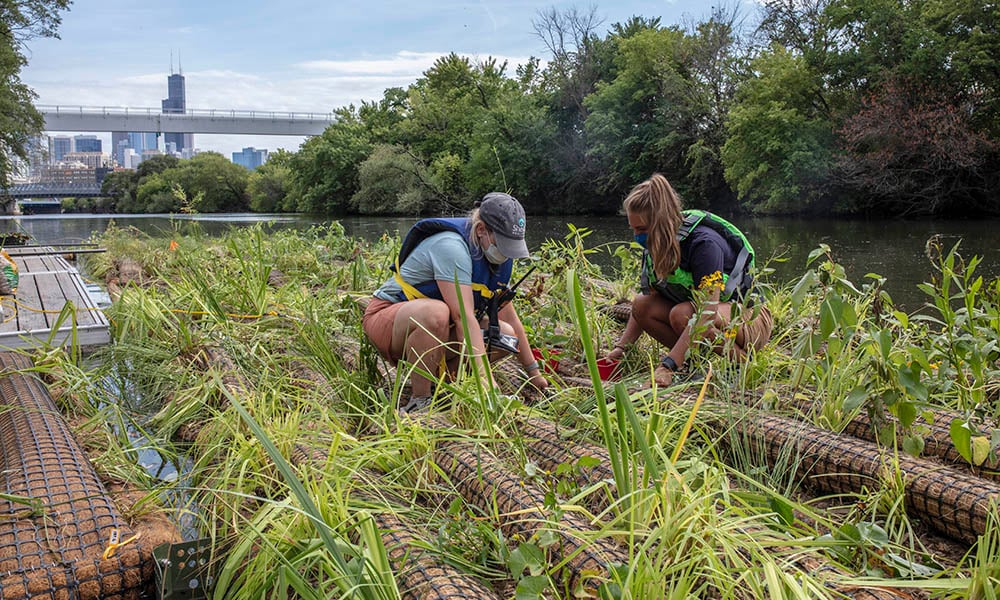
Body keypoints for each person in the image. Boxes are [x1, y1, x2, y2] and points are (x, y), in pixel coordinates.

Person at [362, 192, 548, 412]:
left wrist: (534, 374)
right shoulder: (451, 247)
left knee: (505, 335)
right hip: (390, 320)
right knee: (436, 313)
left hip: (440, 331)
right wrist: (486, 382)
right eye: (503, 245)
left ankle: (444, 384)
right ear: (481, 231)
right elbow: (463, 317)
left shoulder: (497, 258)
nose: (506, 254)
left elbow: (511, 319)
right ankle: (420, 399)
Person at [605, 173, 772, 387]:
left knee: (683, 314)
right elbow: (646, 303)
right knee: (641, 304)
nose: (637, 236)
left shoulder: (704, 245)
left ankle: (742, 362)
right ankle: (693, 364)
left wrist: (667, 366)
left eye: (642, 230)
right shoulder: (655, 245)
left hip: (748, 318)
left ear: (662, 223)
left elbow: (707, 312)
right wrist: (621, 349)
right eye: (633, 228)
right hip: (707, 316)